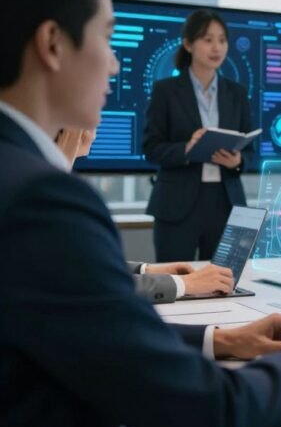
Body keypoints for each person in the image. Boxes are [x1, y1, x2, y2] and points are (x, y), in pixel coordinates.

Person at [0, 0, 281, 427]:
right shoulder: (41, 200)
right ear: (52, 43)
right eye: (107, 37)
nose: (113, 65)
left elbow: (90, 333)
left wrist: (223, 339)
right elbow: (204, 411)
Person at [57, 127, 235, 302]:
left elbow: (85, 267)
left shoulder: (58, 181)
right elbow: (91, 281)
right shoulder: (49, 193)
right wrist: (185, 283)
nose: (98, 125)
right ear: (68, 127)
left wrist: (146, 270)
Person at [144, 9, 253, 261]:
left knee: (221, 285)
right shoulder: (166, 91)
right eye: (207, 39)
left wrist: (239, 162)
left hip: (226, 204)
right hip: (177, 204)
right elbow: (151, 147)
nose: (217, 47)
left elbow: (251, 152)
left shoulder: (236, 93)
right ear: (188, 44)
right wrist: (186, 148)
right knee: (174, 284)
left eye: (222, 40)